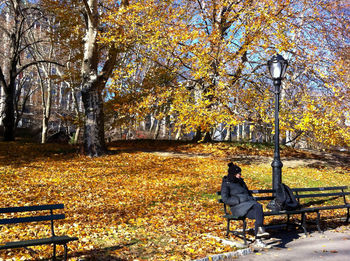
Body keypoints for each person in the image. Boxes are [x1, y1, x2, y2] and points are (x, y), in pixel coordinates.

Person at [221, 162, 269, 247]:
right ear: (233, 174)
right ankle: (260, 230)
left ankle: (258, 238)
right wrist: (238, 200)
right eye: (238, 173)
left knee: (258, 208)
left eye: (240, 173)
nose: (240, 175)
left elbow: (247, 193)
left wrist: (251, 199)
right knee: (258, 208)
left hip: (247, 205)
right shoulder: (226, 183)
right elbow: (225, 198)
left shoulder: (241, 182)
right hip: (237, 207)